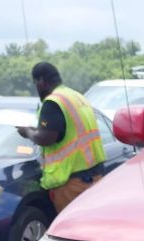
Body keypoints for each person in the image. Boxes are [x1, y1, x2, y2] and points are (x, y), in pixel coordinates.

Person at [17, 62, 106, 213]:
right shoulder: (76, 96)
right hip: (94, 177)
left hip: (72, 184)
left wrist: (28, 132)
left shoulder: (52, 102)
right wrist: (38, 129)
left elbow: (45, 138)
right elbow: (65, 129)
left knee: (74, 226)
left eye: (35, 83)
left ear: (41, 81)